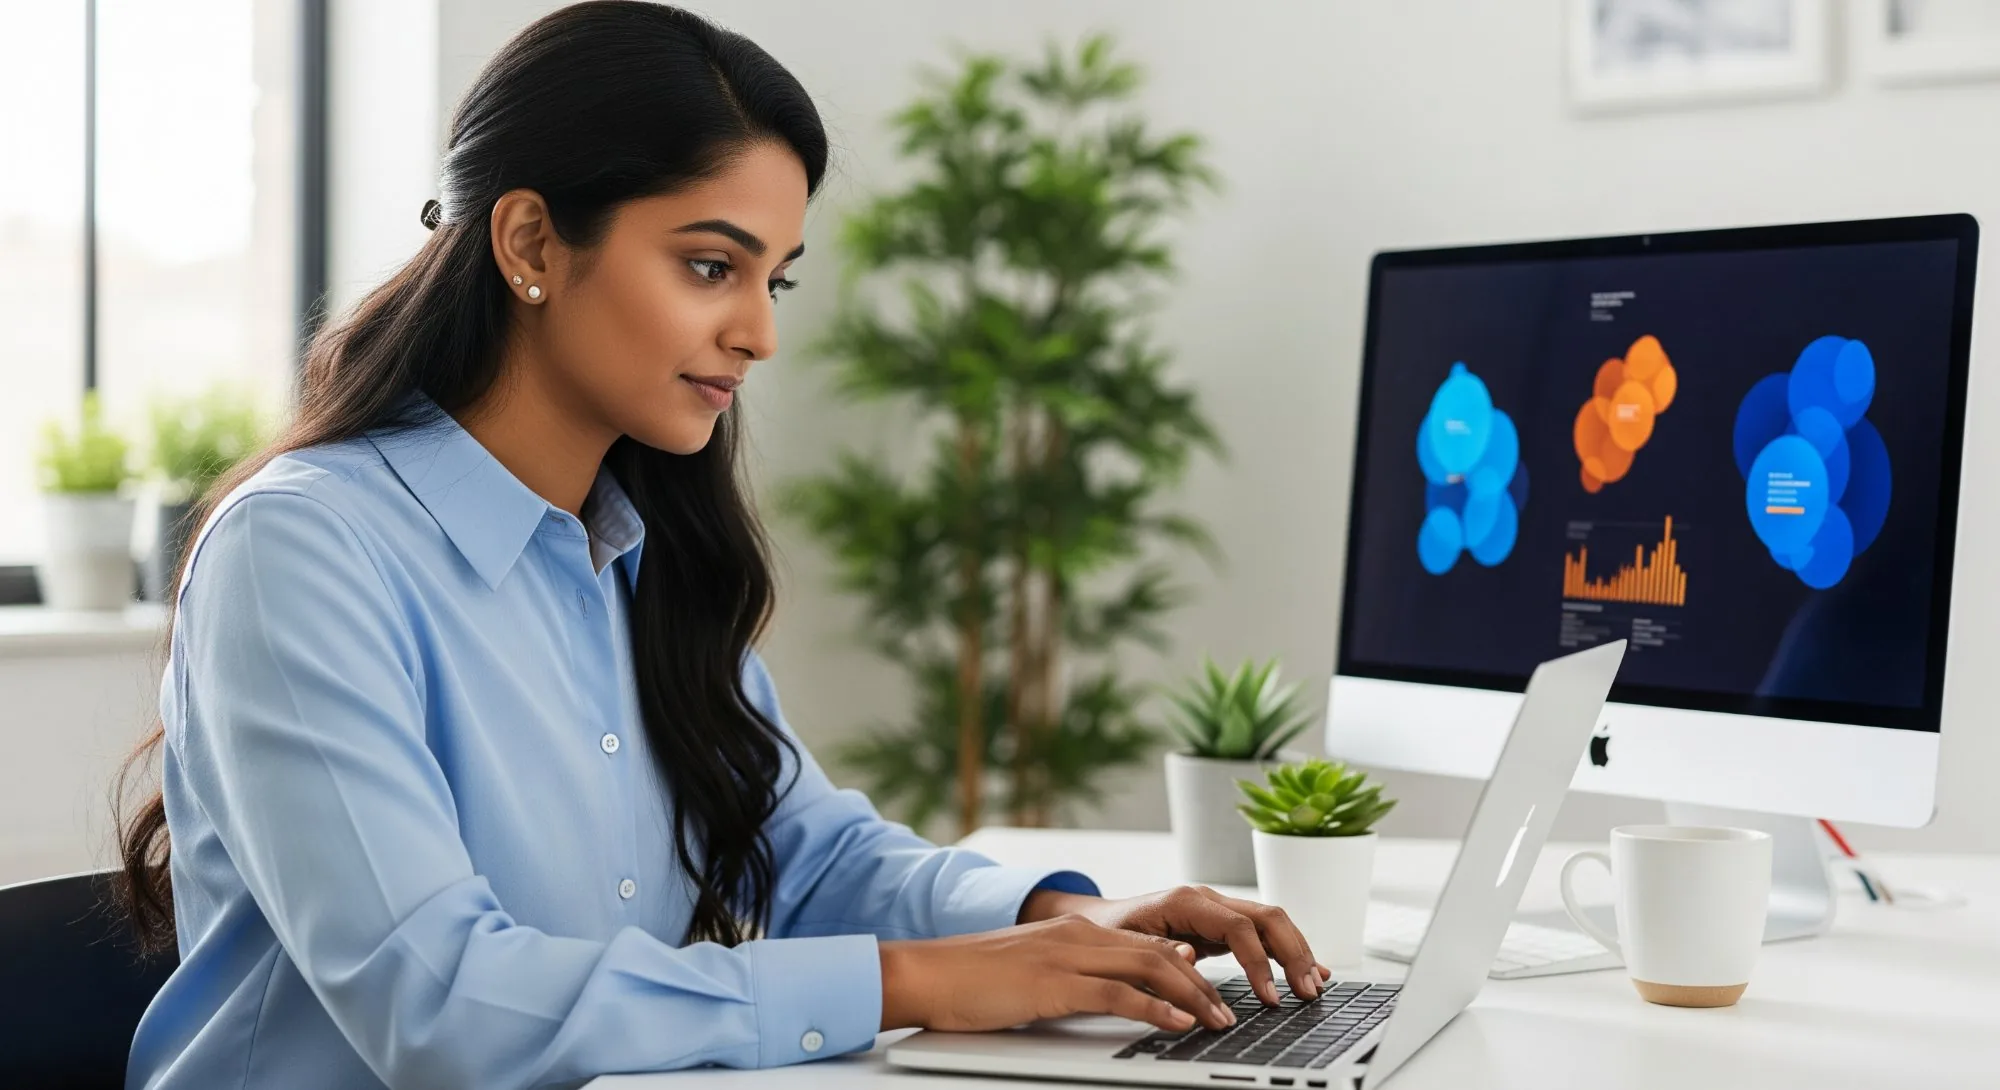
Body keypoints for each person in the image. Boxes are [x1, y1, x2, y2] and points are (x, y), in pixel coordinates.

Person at [114, 4, 1327, 1087]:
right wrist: (915, 981)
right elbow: (438, 1008)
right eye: (709, 267)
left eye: (774, 282)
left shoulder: (639, 550)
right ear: (531, 243)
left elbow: (800, 852)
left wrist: (1067, 918)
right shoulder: (303, 554)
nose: (756, 334)